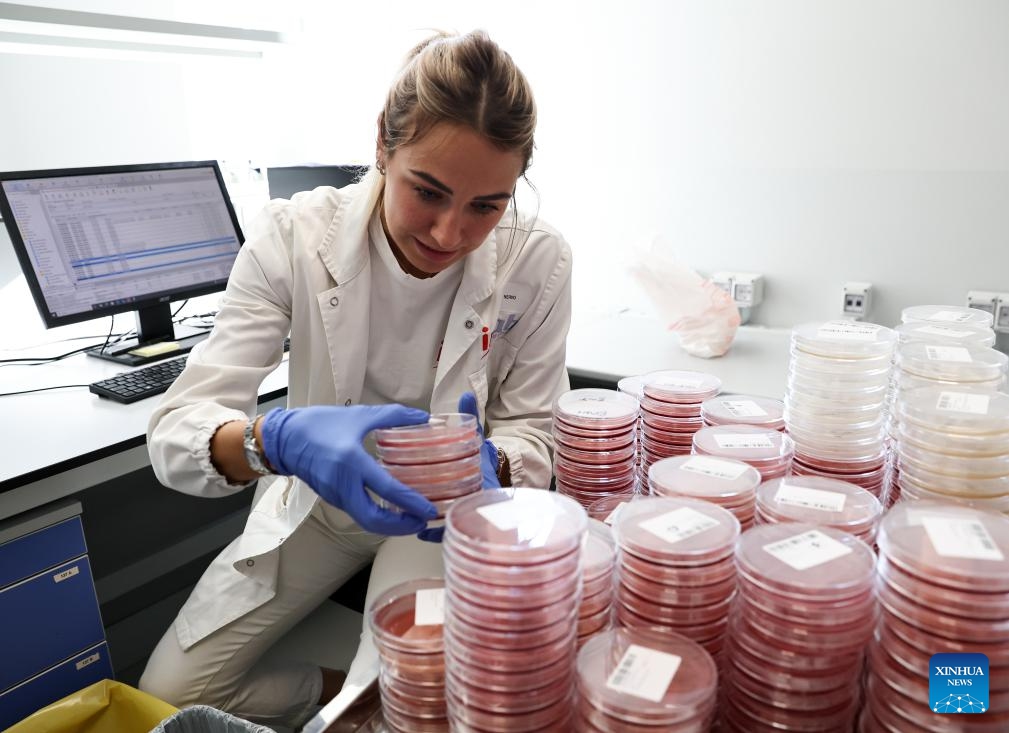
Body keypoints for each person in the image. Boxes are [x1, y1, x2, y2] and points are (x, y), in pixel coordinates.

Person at [138, 29, 572, 728]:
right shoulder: (291, 236)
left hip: (434, 516)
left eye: (485, 206)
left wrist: (500, 460)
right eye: (426, 191)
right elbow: (176, 431)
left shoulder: (538, 259)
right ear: (381, 145)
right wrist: (272, 440)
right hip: (318, 498)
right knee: (165, 696)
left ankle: (364, 699)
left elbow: (531, 423)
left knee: (411, 702)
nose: (448, 233)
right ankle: (336, 687)